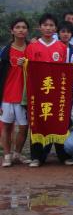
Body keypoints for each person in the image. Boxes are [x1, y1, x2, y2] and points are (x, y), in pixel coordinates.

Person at [25, 13, 69, 167]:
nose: (48, 28)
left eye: (51, 25)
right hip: (38, 92)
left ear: (55, 28)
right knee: (38, 121)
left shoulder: (62, 47)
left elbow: (64, 70)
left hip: (56, 92)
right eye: (45, 25)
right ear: (40, 27)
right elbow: (29, 71)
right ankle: (36, 157)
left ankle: (63, 155)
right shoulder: (32, 47)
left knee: (58, 120)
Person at [0, 18, 30, 167]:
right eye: (17, 27)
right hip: (7, 94)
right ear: (12, 31)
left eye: (24, 27)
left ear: (27, 31)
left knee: (24, 127)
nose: (21, 30)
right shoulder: (5, 51)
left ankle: (17, 154)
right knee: (6, 125)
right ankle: (7, 155)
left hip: (24, 96)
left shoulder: (32, 49)